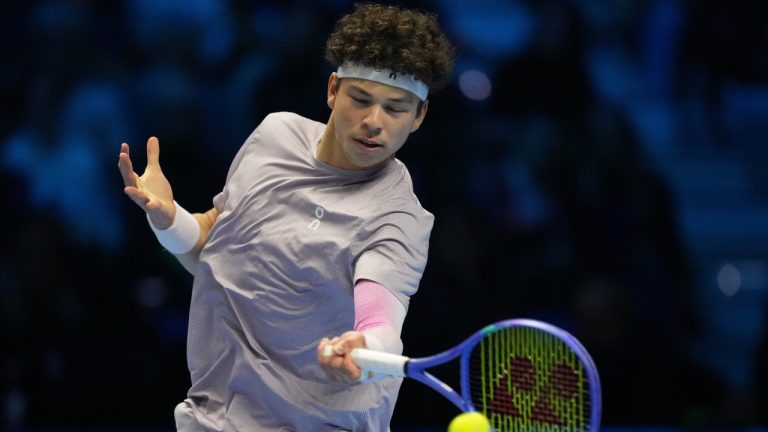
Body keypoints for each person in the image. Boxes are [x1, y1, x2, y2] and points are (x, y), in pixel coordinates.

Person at [117, 4, 454, 431]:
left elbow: (382, 323)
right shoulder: (276, 136)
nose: (374, 122)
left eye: (396, 108)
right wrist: (167, 219)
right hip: (213, 417)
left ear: (419, 116)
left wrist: (365, 346)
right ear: (333, 89)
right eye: (361, 99)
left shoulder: (396, 217)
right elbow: (214, 252)